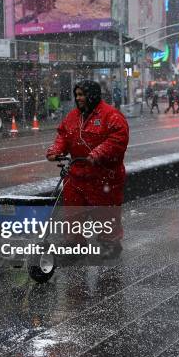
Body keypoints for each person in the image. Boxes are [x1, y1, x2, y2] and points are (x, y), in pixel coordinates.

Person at [46, 80, 129, 253]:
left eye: (82, 94)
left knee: (105, 214)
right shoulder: (72, 116)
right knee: (73, 214)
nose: (79, 98)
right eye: (77, 95)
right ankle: (74, 244)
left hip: (104, 177)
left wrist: (97, 154)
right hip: (76, 176)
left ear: (92, 95)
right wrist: (56, 151)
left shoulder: (111, 115)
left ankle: (110, 243)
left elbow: (118, 139)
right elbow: (63, 135)